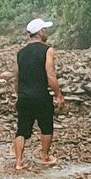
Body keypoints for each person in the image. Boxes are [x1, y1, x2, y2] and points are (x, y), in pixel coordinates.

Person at [12, 17, 64, 171]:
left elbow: (16, 77)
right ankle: (45, 156)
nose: (46, 32)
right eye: (45, 29)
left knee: (21, 129)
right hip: (41, 96)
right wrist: (58, 95)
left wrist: (18, 95)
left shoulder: (20, 53)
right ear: (40, 32)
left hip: (25, 97)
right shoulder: (48, 50)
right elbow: (50, 75)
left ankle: (19, 162)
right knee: (46, 127)